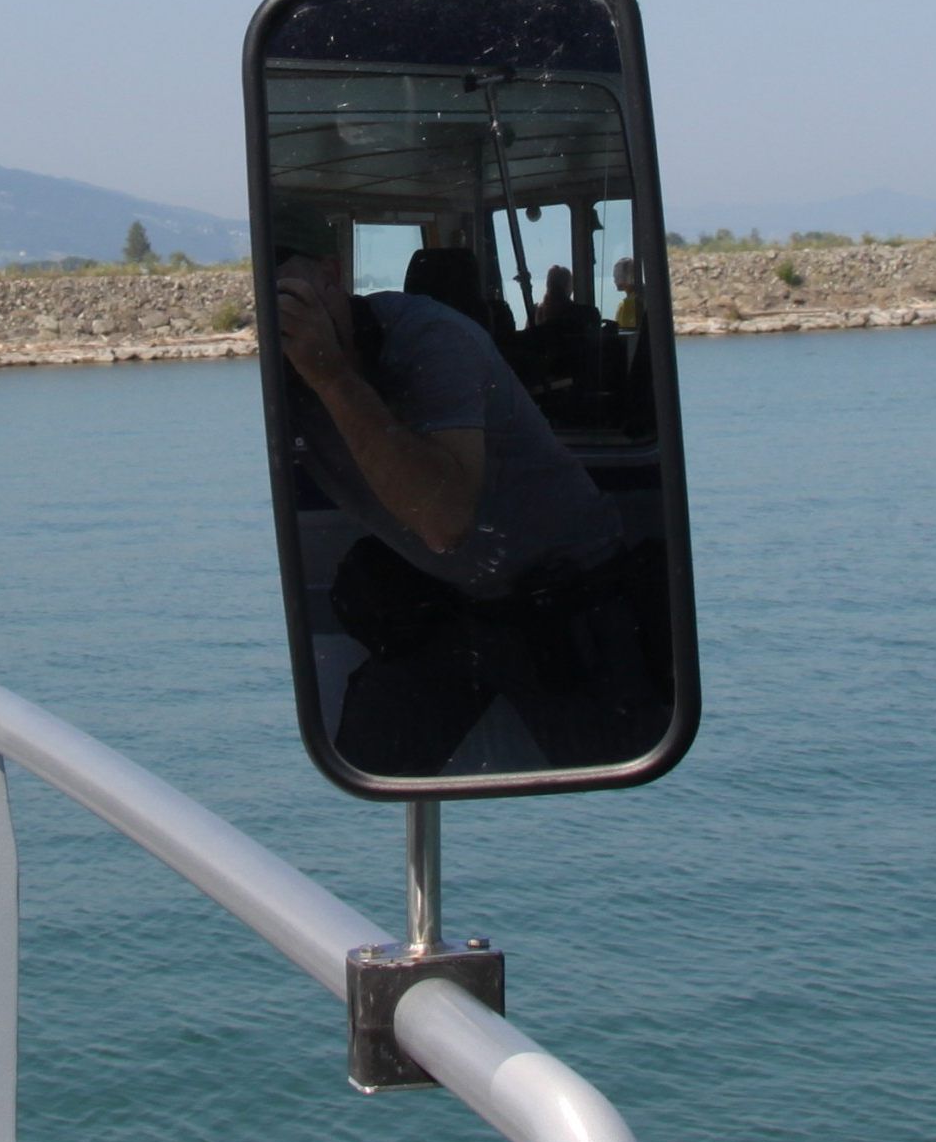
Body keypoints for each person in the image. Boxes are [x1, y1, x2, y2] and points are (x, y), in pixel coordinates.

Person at [271, 247, 657, 774]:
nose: (285, 323)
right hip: (464, 600)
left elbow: (444, 520)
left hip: (573, 593)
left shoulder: (431, 338)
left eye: (290, 298)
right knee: (363, 764)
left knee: (617, 770)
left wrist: (331, 375)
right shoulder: (280, 380)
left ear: (332, 276)